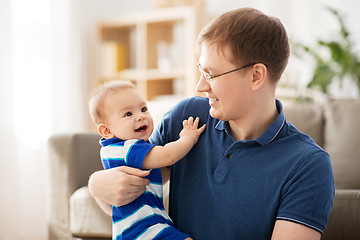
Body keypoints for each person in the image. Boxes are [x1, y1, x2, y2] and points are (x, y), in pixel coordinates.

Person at [88, 8, 335, 240]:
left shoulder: (308, 165)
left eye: (211, 74)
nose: (200, 86)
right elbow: (135, 202)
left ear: (256, 75)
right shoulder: (186, 118)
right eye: (200, 71)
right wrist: (97, 186)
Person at [88, 80, 205, 240]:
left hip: (135, 228)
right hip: (142, 226)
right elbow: (168, 156)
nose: (140, 117)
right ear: (106, 130)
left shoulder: (115, 151)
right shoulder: (128, 148)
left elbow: (160, 176)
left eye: (143, 109)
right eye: (128, 114)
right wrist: (188, 138)